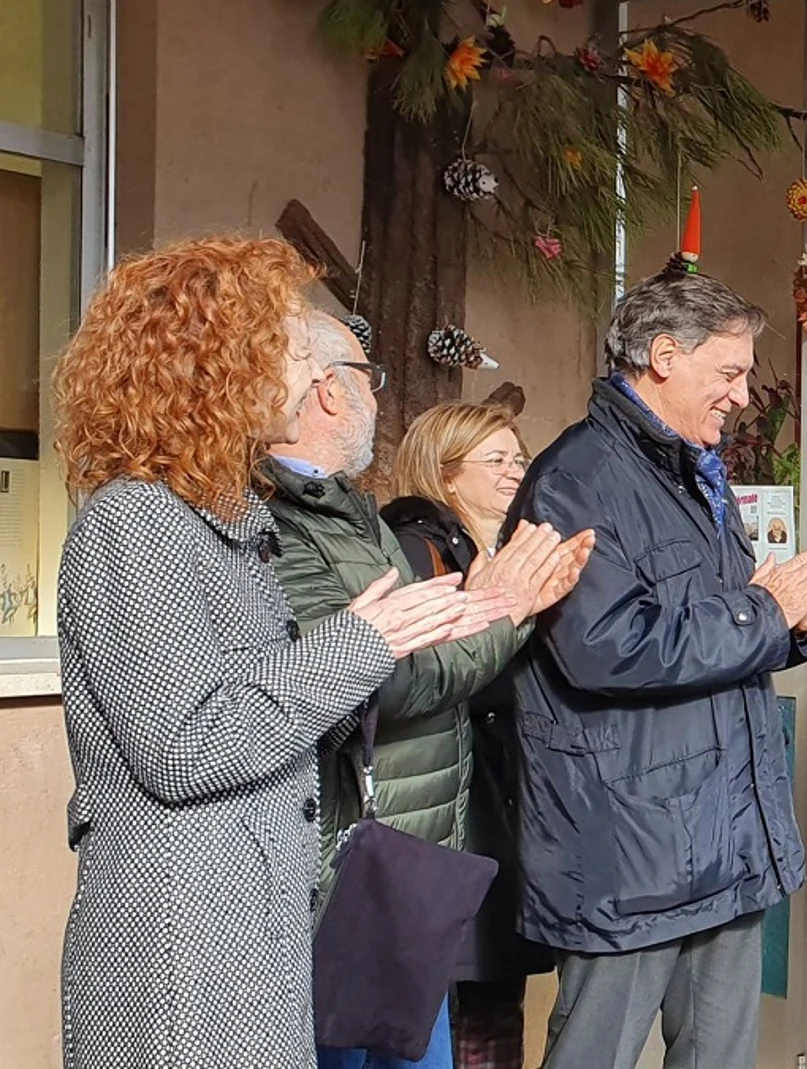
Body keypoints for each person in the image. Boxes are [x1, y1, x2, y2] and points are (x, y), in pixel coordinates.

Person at [52, 237, 512, 1069]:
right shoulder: (136, 521)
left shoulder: (225, 519)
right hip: (182, 942)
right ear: (215, 368)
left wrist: (387, 645)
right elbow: (184, 744)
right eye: (293, 353)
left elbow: (270, 718)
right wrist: (360, 644)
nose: (312, 378)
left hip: (251, 921)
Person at [507, 266, 807, 1068]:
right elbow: (606, 645)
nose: (743, 394)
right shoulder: (575, 481)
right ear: (661, 355)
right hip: (630, 849)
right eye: (729, 371)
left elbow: (719, 623)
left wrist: (795, 626)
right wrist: (768, 613)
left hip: (720, 835)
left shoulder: (688, 473)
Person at [263, 315, 593, 1069]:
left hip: (418, 851)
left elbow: (416, 652)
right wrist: (506, 611)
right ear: (326, 390)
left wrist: (493, 606)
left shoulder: (350, 515)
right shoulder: (307, 528)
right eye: (367, 379)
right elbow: (381, 678)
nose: (380, 398)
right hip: (358, 862)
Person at [383, 402, 553, 1069]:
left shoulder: (502, 547)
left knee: (493, 1002)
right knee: (456, 1004)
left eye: (519, 457)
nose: (516, 471)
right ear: (446, 474)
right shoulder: (418, 549)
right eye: (496, 460)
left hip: (496, 802)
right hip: (448, 811)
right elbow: (428, 678)